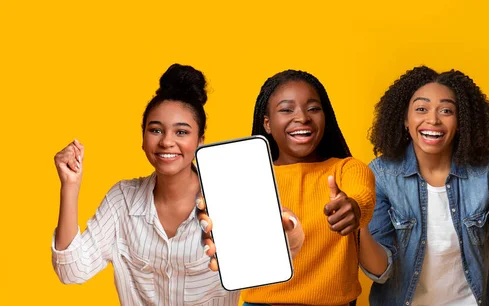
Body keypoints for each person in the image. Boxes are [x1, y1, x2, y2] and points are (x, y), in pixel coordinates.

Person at [51, 64, 303, 306]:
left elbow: (280, 253)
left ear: (200, 140)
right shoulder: (122, 200)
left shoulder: (227, 198)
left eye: (181, 132)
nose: (167, 142)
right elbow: (72, 271)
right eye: (156, 130)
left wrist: (287, 232)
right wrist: (70, 186)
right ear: (143, 138)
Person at [359, 66, 489, 306]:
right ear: (405, 119)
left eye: (446, 110)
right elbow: (380, 270)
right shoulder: (381, 175)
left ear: (461, 121)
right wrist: (360, 224)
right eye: (421, 109)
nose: (433, 119)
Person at [240, 70, 375, 306]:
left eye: (313, 108)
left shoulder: (346, 170)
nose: (302, 117)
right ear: (267, 124)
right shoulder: (250, 177)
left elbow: (362, 196)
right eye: (286, 109)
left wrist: (353, 207)